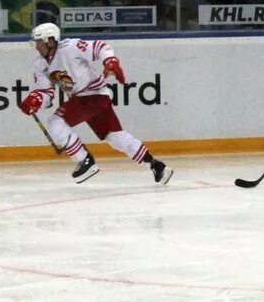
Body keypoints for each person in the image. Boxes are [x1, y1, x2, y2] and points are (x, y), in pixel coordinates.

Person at [18, 23, 173, 185]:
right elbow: (46, 94)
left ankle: (85, 160)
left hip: (93, 95)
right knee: (114, 136)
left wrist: (110, 62)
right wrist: (35, 99)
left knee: (56, 122)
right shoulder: (39, 65)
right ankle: (156, 165)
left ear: (50, 41)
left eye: (39, 42)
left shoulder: (69, 48)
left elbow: (100, 47)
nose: (36, 47)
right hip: (90, 98)